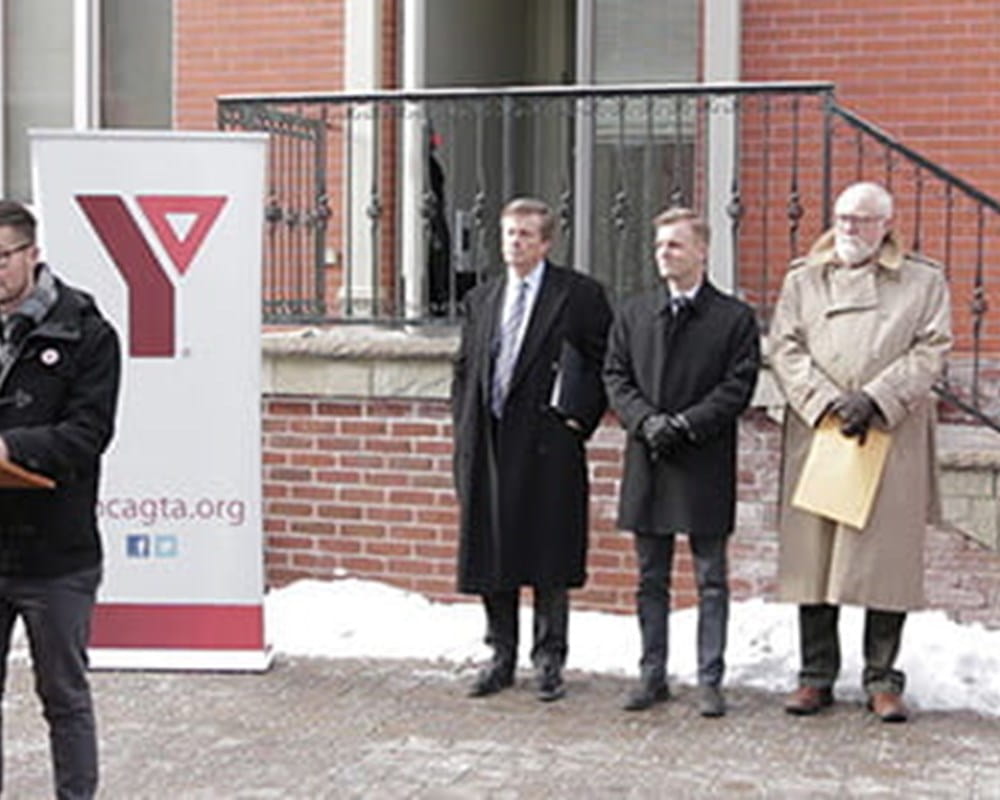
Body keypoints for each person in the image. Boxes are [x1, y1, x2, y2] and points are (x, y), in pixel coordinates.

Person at [769, 181, 952, 723]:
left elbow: (933, 348)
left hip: (888, 432)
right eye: (844, 217)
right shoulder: (803, 278)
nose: (850, 228)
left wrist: (875, 398)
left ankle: (882, 679)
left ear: (886, 224)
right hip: (821, 430)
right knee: (813, 557)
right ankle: (815, 675)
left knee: (885, 561)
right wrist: (826, 400)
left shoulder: (923, 281)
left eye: (864, 219)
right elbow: (784, 346)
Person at [451, 197, 612, 702]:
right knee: (492, 551)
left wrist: (576, 422)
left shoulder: (578, 295)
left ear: (545, 243)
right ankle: (501, 654)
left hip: (547, 446)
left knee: (548, 553)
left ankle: (549, 659)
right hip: (491, 440)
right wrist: (464, 429)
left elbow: (605, 363)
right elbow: (465, 368)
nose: (514, 243)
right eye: (508, 233)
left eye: (524, 234)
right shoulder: (482, 298)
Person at [603, 207, 760, 717]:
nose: (664, 254)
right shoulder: (633, 313)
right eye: (659, 246)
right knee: (651, 577)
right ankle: (652, 674)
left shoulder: (733, 318)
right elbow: (616, 375)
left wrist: (687, 424)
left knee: (711, 578)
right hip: (648, 457)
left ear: (702, 251)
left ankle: (710, 678)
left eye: (674, 245)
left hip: (703, 459)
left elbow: (738, 385)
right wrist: (645, 421)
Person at [0, 200, 121, 797]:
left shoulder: (86, 333)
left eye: (2, 257)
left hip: (56, 553)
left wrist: (9, 448)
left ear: (33, 254)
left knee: (64, 697)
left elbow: (87, 435)